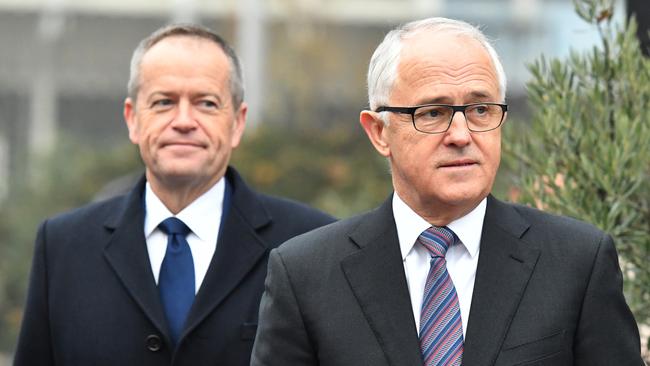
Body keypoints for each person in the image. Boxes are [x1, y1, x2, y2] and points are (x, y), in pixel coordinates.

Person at [251, 17, 644, 366]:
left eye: (480, 110)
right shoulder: (307, 274)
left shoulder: (576, 261)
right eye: (433, 113)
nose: (461, 135)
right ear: (379, 132)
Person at [14, 24, 334, 366]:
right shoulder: (63, 246)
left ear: (238, 122)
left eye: (206, 103)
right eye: (164, 102)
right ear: (132, 119)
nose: (184, 121)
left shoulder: (310, 243)